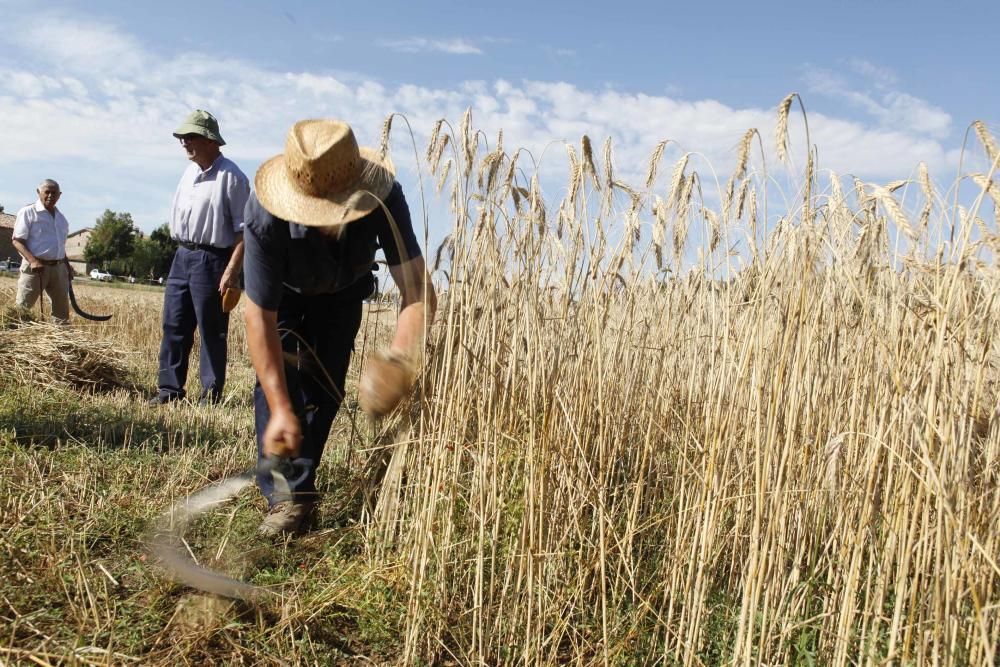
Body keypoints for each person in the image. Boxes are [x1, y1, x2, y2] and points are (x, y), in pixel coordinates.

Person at [243, 119, 436, 536]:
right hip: (286, 296)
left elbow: (417, 291)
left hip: (345, 293)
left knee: (325, 390)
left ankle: (301, 488)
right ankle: (285, 499)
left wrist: (399, 358)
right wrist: (279, 408)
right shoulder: (263, 212)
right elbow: (258, 315)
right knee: (280, 391)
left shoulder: (386, 198)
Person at [150, 110, 250, 405]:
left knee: (211, 330)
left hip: (213, 260)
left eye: (190, 136)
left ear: (210, 140)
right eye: (182, 137)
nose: (184, 142)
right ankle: (169, 390)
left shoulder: (233, 178)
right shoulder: (189, 172)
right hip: (182, 255)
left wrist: (231, 271)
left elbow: (244, 232)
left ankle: (210, 396)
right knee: (174, 325)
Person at [12, 179, 73, 323]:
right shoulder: (28, 212)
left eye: (54, 192)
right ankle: (13, 339)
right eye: (47, 192)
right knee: (23, 307)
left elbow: (60, 246)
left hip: (58, 268)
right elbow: (17, 240)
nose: (51, 195)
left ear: (60, 195)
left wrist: (67, 265)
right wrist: (33, 261)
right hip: (35, 268)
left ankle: (61, 342)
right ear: (38, 192)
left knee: (61, 312)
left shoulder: (61, 219)